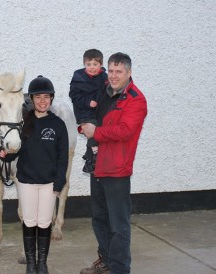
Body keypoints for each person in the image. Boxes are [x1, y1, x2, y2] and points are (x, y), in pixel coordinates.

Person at [79, 53, 148, 274]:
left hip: (117, 169)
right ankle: (107, 261)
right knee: (100, 218)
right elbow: (90, 114)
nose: (114, 75)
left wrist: (96, 132)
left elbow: (125, 131)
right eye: (110, 71)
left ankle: (120, 269)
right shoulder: (104, 92)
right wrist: (84, 124)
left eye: (119, 71)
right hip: (97, 164)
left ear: (129, 73)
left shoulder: (136, 99)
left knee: (118, 225)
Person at [15, 75, 69, 274]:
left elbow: (63, 157)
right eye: (38, 97)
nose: (42, 101)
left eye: (46, 97)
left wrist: (59, 182)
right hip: (27, 181)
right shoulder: (22, 123)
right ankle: (31, 263)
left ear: (51, 99)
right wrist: (4, 155)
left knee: (45, 222)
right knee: (29, 221)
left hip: (49, 183)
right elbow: (15, 150)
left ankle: (42, 263)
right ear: (32, 99)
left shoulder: (58, 125)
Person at [69, 49, 108, 174]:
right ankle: (96, 153)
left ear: (101, 65)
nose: (91, 67)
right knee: (92, 130)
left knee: (100, 131)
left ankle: (89, 160)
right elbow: (73, 96)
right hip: (84, 111)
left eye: (95, 64)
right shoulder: (78, 77)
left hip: (98, 111)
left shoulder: (104, 77)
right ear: (84, 64)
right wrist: (87, 102)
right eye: (88, 64)